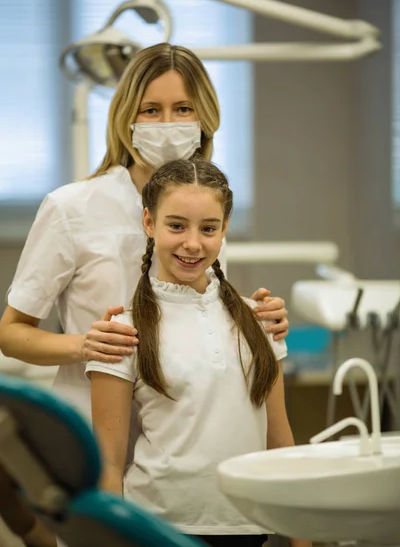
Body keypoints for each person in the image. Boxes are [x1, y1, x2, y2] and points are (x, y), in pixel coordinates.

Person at [0, 43, 289, 547]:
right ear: (125, 118)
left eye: (183, 109)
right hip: (97, 440)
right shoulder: (72, 208)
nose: (167, 122)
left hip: (183, 449)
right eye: (150, 110)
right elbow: (12, 333)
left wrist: (264, 318)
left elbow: (209, 308)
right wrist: (85, 345)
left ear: (206, 119)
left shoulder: (206, 206)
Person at [86, 158, 307, 547]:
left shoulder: (261, 322)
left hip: (247, 525)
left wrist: (301, 541)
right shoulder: (122, 332)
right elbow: (108, 462)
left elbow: (280, 441)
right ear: (149, 224)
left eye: (208, 228)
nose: (193, 243)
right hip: (156, 529)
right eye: (176, 225)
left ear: (224, 230)